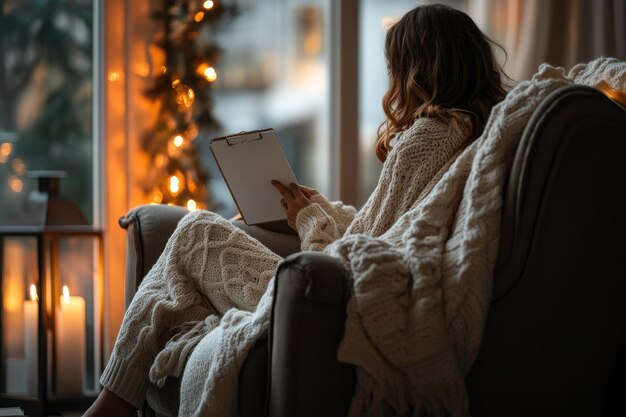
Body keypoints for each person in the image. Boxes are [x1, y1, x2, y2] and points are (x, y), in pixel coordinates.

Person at [83, 4, 507, 416]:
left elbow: (357, 259)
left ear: (417, 71)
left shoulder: (426, 140)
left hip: (331, 308)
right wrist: (316, 208)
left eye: (394, 68)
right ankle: (117, 403)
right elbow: (386, 233)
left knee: (196, 231)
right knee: (181, 290)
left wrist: (309, 220)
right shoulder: (477, 133)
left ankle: (112, 403)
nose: (391, 82)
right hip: (341, 299)